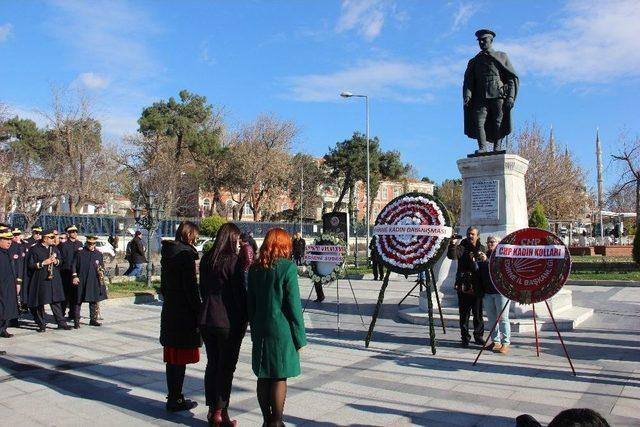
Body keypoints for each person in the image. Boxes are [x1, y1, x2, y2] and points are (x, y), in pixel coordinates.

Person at [248, 227, 307, 427]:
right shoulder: (287, 268)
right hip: (281, 330)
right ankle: (277, 420)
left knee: (263, 374)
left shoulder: (255, 268)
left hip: (260, 327)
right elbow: (293, 306)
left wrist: (253, 326)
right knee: (279, 375)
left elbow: (251, 303)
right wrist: (300, 337)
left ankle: (266, 419)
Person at [199, 223, 247, 425]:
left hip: (208, 317)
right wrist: (246, 315)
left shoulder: (207, 259)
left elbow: (202, 287)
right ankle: (221, 411)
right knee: (226, 367)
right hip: (227, 320)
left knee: (212, 364)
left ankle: (212, 409)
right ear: (231, 238)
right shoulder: (232, 261)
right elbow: (238, 294)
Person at [160, 221, 201, 413]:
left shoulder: (168, 253)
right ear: (189, 235)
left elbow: (164, 286)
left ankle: (174, 395)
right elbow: (190, 287)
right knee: (180, 358)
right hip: (184, 311)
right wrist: (198, 310)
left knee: (173, 357)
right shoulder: (185, 255)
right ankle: (175, 398)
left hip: (171, 308)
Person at [463, 29, 519, 153]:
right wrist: (467, 94)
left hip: (498, 95)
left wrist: (510, 97)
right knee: (479, 122)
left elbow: (510, 78)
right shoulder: (474, 61)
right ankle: (482, 148)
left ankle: (497, 147)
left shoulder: (501, 56)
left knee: (498, 121)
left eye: (484, 39)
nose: (482, 42)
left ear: (491, 40)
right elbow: (469, 80)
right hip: (480, 96)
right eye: (480, 40)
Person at [447, 226, 485, 347]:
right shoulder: (461, 246)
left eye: (473, 234)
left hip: (477, 285)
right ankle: (465, 337)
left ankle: (478, 336)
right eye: (469, 234)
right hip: (463, 284)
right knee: (464, 314)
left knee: (478, 314)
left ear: (477, 236)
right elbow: (452, 256)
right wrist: (452, 244)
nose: (470, 236)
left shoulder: (482, 248)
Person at [26, 229, 71, 332]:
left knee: (56, 301)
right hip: (41, 279)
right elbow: (30, 265)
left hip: (54, 278)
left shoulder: (54, 248)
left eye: (54, 237)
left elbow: (61, 262)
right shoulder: (35, 249)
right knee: (40, 302)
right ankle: (41, 324)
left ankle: (61, 323)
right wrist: (43, 263)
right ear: (45, 238)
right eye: (51, 237)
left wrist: (56, 261)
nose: (53, 239)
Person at [477, 235, 510, 353]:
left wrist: (486, 261)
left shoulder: (503, 255)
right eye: (488, 242)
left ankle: (505, 343)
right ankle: (495, 341)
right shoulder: (484, 254)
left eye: (493, 242)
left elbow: (498, 269)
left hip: (500, 292)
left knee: (503, 318)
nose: (490, 244)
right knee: (491, 319)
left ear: (498, 243)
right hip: (487, 291)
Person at [70, 235, 107, 329]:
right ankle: (76, 321)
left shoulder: (98, 254)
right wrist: (74, 276)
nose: (91, 245)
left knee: (94, 300)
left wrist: (101, 271)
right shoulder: (80, 252)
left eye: (93, 244)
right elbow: (73, 265)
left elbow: (101, 266)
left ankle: (93, 319)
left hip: (93, 280)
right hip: (81, 280)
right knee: (78, 301)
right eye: (90, 244)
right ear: (86, 243)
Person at [58, 225, 83, 317]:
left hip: (76, 272)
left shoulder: (79, 244)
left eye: (76, 231)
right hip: (66, 272)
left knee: (75, 294)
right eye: (72, 232)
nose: (75, 233)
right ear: (68, 234)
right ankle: (61, 314)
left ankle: (72, 313)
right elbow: (62, 259)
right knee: (65, 294)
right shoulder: (64, 245)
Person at [0, 228, 19, 343]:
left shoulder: (7, 253)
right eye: (6, 239)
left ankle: (2, 329)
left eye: (10, 239)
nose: (9, 242)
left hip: (7, 287)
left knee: (5, 310)